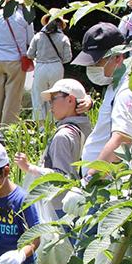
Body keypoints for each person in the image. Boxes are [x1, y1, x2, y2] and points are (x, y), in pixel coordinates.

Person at [72, 22, 132, 170]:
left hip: (108, 182)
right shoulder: (116, 83)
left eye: (96, 62)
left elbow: (121, 140)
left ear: (118, 57)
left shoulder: (130, 88)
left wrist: (90, 179)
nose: (91, 69)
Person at [15, 78, 92, 216]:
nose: (50, 107)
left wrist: (29, 167)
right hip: (80, 202)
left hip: (60, 207)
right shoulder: (86, 128)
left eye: (53, 100)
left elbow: (61, 176)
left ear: (70, 100)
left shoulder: (63, 136)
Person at [0, 0, 34, 129]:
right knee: (12, 97)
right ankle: (6, 130)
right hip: (15, 61)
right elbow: (31, 40)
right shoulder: (25, 17)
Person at [26, 9, 73, 120]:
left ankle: (41, 128)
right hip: (56, 67)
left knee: (39, 97)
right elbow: (68, 58)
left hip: (41, 67)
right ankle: (54, 124)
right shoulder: (63, 38)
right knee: (56, 97)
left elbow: (29, 54)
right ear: (60, 24)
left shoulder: (38, 36)